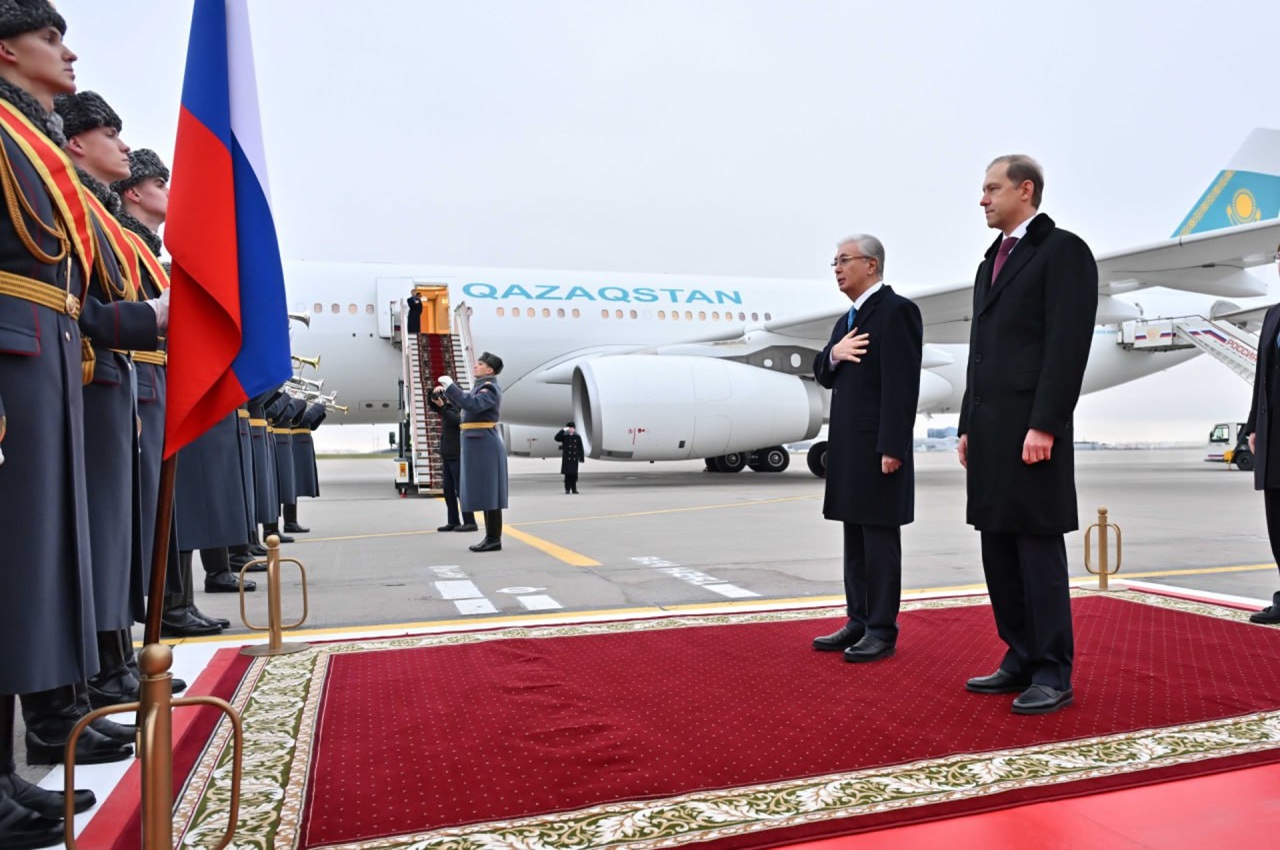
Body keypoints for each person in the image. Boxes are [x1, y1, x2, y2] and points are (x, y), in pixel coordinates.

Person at [0, 4, 167, 842]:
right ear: (6, 49)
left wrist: (149, 320)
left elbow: (76, 295)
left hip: (53, 361)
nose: (67, 53)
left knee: (38, 559)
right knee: (19, 562)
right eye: (49, 38)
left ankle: (29, 744)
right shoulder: (13, 140)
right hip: (21, 360)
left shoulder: (27, 143)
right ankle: (50, 717)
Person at [957, 154, 1097, 715]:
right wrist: (966, 424)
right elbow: (980, 354)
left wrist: (1045, 423)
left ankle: (1052, 671)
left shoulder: (1062, 251)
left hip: (1031, 431)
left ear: (1026, 190)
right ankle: (1018, 654)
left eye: (993, 188)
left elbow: (1067, 345)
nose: (983, 199)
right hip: (990, 433)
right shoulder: (989, 262)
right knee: (997, 548)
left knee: (1036, 551)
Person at [811, 235, 921, 663]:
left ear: (871, 264)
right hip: (848, 450)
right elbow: (824, 373)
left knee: (879, 543)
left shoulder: (897, 312)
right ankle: (857, 620)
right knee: (854, 541)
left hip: (878, 449)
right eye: (834, 262)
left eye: (844, 260)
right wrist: (833, 354)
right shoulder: (846, 321)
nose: (837, 269)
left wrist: (893, 446)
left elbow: (902, 385)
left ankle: (881, 629)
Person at [1244, 242, 1280, 624]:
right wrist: (1253, 426)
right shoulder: (1273, 315)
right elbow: (1262, 378)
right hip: (1274, 435)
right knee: (1278, 522)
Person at [440, 352, 508, 552]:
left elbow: (472, 404)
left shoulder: (489, 388)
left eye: (480, 364)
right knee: (487, 492)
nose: (475, 366)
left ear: (490, 370)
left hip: (484, 443)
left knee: (490, 492)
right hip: (479, 444)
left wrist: (451, 387)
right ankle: (491, 537)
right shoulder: (480, 387)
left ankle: (493, 538)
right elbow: (467, 403)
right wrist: (448, 394)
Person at [429, 387, 477, 531]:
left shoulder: (462, 408)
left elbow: (457, 421)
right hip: (447, 455)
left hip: (457, 455)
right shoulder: (447, 408)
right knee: (448, 490)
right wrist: (432, 392)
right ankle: (453, 521)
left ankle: (470, 521)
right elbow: (432, 404)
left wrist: (443, 407)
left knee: (461, 490)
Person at [554, 421, 585, 494]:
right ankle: (567, 489)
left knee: (574, 475)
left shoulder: (577, 436)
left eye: (572, 428)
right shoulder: (564, 436)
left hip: (574, 459)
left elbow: (580, 447)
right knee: (567, 476)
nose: (571, 429)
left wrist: (581, 457)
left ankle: (574, 489)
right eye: (569, 428)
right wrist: (563, 430)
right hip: (567, 459)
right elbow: (556, 438)